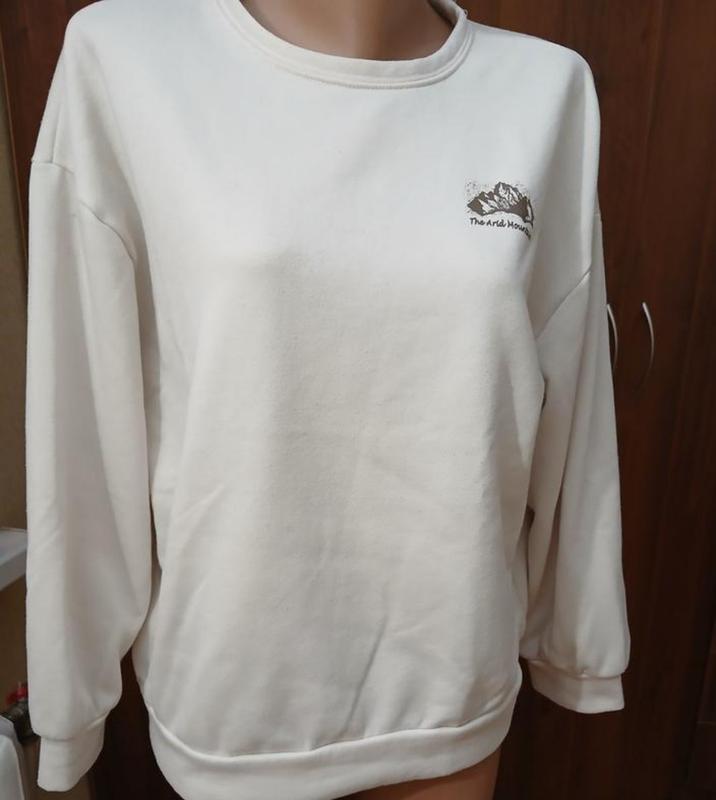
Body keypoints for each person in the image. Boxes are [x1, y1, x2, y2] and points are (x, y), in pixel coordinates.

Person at [24, 0, 631, 798]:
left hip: (447, 690)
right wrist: (70, 700)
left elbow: (574, 406)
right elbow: (83, 418)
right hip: (237, 705)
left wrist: (579, 641)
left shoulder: (543, 90)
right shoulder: (126, 59)